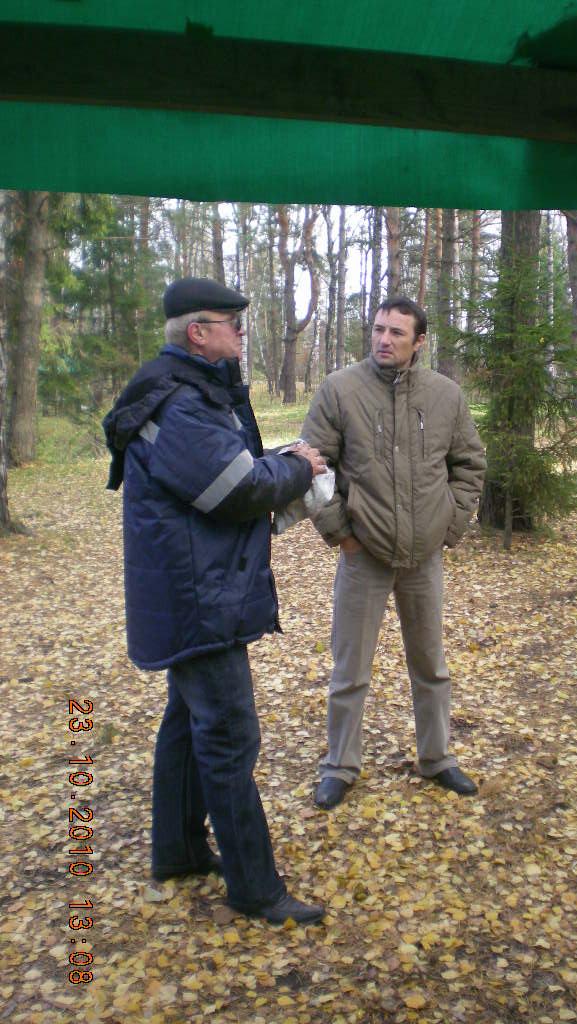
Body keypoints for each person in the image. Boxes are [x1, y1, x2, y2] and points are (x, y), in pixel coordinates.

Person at [103, 277, 326, 924]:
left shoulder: (187, 390)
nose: (242, 332)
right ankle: (255, 888)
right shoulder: (180, 403)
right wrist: (301, 468)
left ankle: (177, 851)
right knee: (228, 735)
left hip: (192, 589)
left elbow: (227, 466)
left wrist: (279, 460)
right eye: (232, 323)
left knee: (187, 721)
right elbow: (235, 488)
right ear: (198, 333)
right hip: (197, 597)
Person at [301, 296, 486, 810]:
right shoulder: (340, 389)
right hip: (363, 555)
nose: (384, 339)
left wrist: (450, 525)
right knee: (350, 670)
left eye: (397, 332)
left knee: (431, 665)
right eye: (379, 329)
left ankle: (437, 758)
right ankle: (340, 766)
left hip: (424, 557)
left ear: (419, 341)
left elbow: (469, 464)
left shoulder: (445, 395)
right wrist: (342, 534)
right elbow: (311, 464)